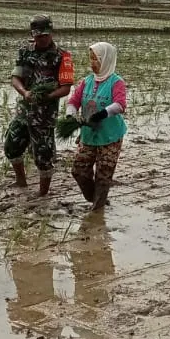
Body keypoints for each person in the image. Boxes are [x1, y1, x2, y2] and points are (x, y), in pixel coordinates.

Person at [5, 15, 74, 197]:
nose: (42, 39)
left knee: (43, 155)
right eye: (38, 36)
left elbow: (66, 88)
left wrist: (47, 97)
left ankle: (43, 194)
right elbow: (16, 77)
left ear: (51, 33)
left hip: (45, 116)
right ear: (32, 35)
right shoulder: (25, 52)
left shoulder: (62, 56)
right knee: (11, 145)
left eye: (45, 35)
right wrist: (25, 93)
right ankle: (20, 180)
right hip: (24, 110)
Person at [66, 41, 127, 213]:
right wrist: (70, 115)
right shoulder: (86, 81)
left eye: (96, 59)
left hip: (110, 136)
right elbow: (73, 101)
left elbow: (120, 104)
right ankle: (94, 198)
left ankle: (97, 213)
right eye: (91, 59)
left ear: (106, 60)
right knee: (79, 170)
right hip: (88, 134)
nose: (92, 63)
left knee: (103, 174)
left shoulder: (116, 82)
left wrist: (102, 114)